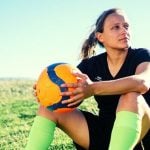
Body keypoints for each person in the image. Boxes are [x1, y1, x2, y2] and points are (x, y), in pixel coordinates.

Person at [26, 8, 150, 150]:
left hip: (140, 130)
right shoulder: (91, 65)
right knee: (49, 107)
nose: (124, 31)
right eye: (116, 27)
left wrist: (93, 88)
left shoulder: (141, 55)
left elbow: (143, 83)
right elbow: (68, 88)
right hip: (105, 134)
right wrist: (46, 91)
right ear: (100, 36)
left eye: (126, 26)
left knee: (130, 96)